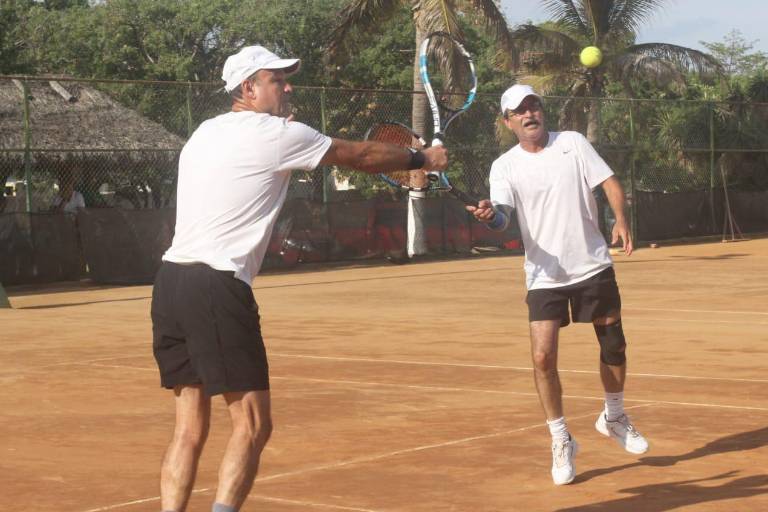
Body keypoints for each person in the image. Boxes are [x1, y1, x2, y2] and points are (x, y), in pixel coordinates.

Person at [150, 45, 447, 512]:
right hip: (215, 285)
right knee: (251, 425)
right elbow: (359, 154)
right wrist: (420, 159)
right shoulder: (273, 134)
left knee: (189, 429)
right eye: (277, 79)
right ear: (248, 88)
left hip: (170, 284)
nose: (288, 88)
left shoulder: (205, 132)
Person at [468, 84, 649, 486]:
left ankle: (614, 416)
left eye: (534, 106)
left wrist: (620, 220)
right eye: (520, 110)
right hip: (544, 275)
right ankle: (561, 437)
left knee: (614, 345)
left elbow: (610, 182)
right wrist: (488, 217)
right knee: (542, 357)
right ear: (508, 122)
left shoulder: (573, 143)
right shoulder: (505, 166)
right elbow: (502, 219)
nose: (530, 114)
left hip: (591, 264)